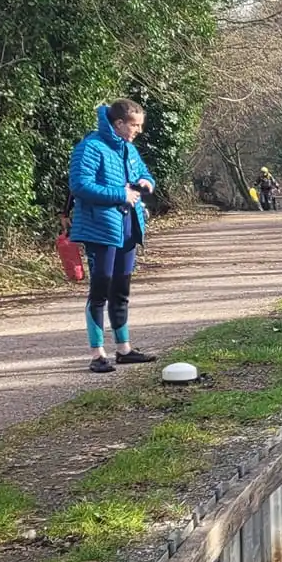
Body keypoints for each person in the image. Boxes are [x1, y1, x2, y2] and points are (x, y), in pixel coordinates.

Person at [67, 99, 157, 374]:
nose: (138, 131)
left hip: (129, 226)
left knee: (121, 289)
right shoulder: (90, 147)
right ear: (118, 123)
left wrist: (146, 183)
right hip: (100, 228)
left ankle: (124, 349)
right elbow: (79, 185)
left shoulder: (129, 149)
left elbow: (144, 173)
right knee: (100, 290)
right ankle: (97, 354)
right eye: (135, 125)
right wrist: (120, 194)